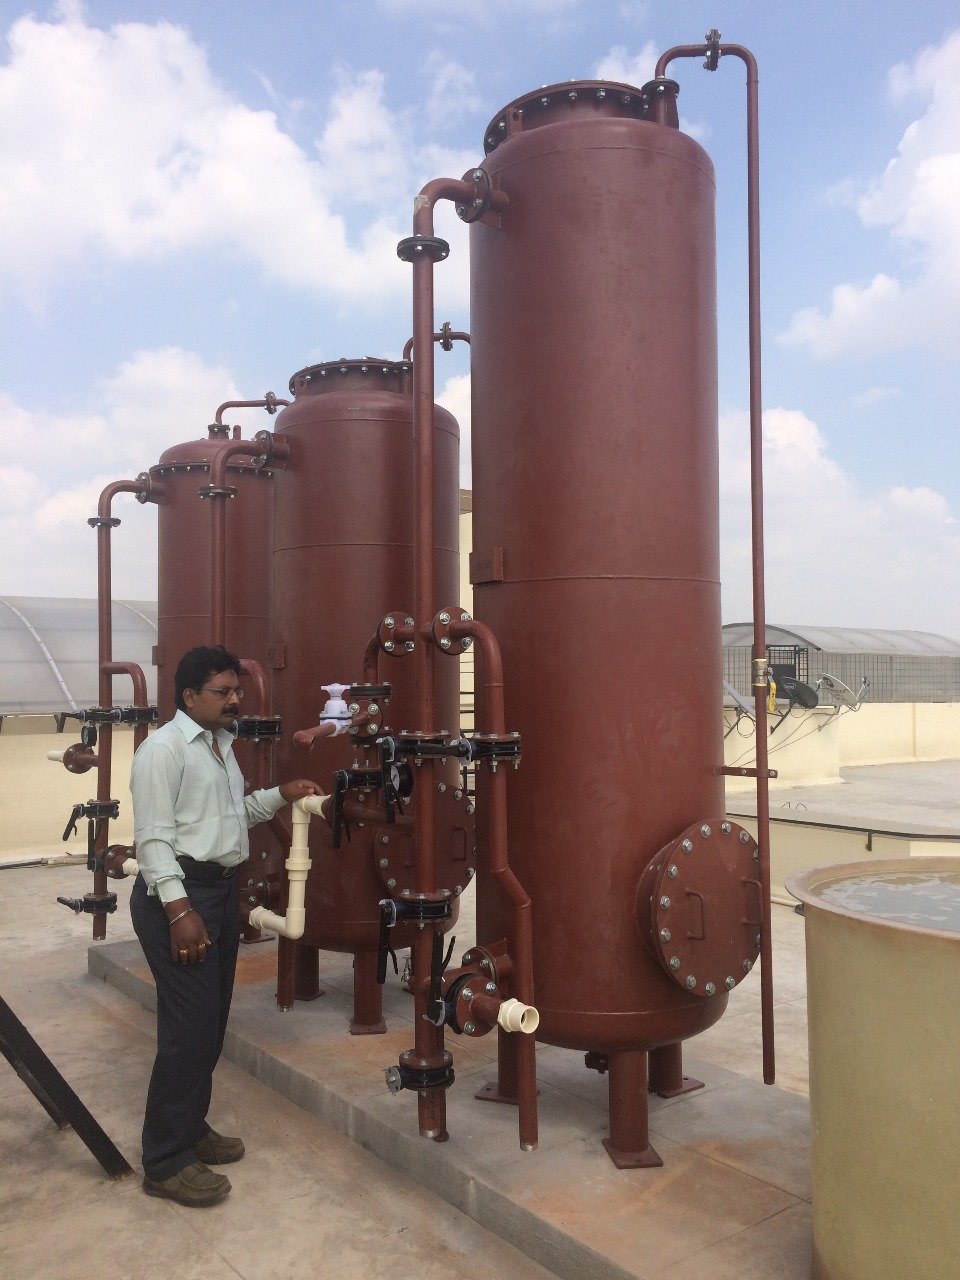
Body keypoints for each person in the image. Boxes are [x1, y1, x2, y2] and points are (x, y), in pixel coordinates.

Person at [130, 644, 322, 1208]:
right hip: (180, 898)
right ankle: (165, 1161)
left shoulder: (219, 746)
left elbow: (232, 815)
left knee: (210, 1023)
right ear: (190, 696)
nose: (236, 699)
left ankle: (190, 1128)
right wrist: (179, 911)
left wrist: (280, 796)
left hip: (216, 893)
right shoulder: (163, 751)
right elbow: (153, 839)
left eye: (237, 690)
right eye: (224, 691)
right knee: (188, 1030)